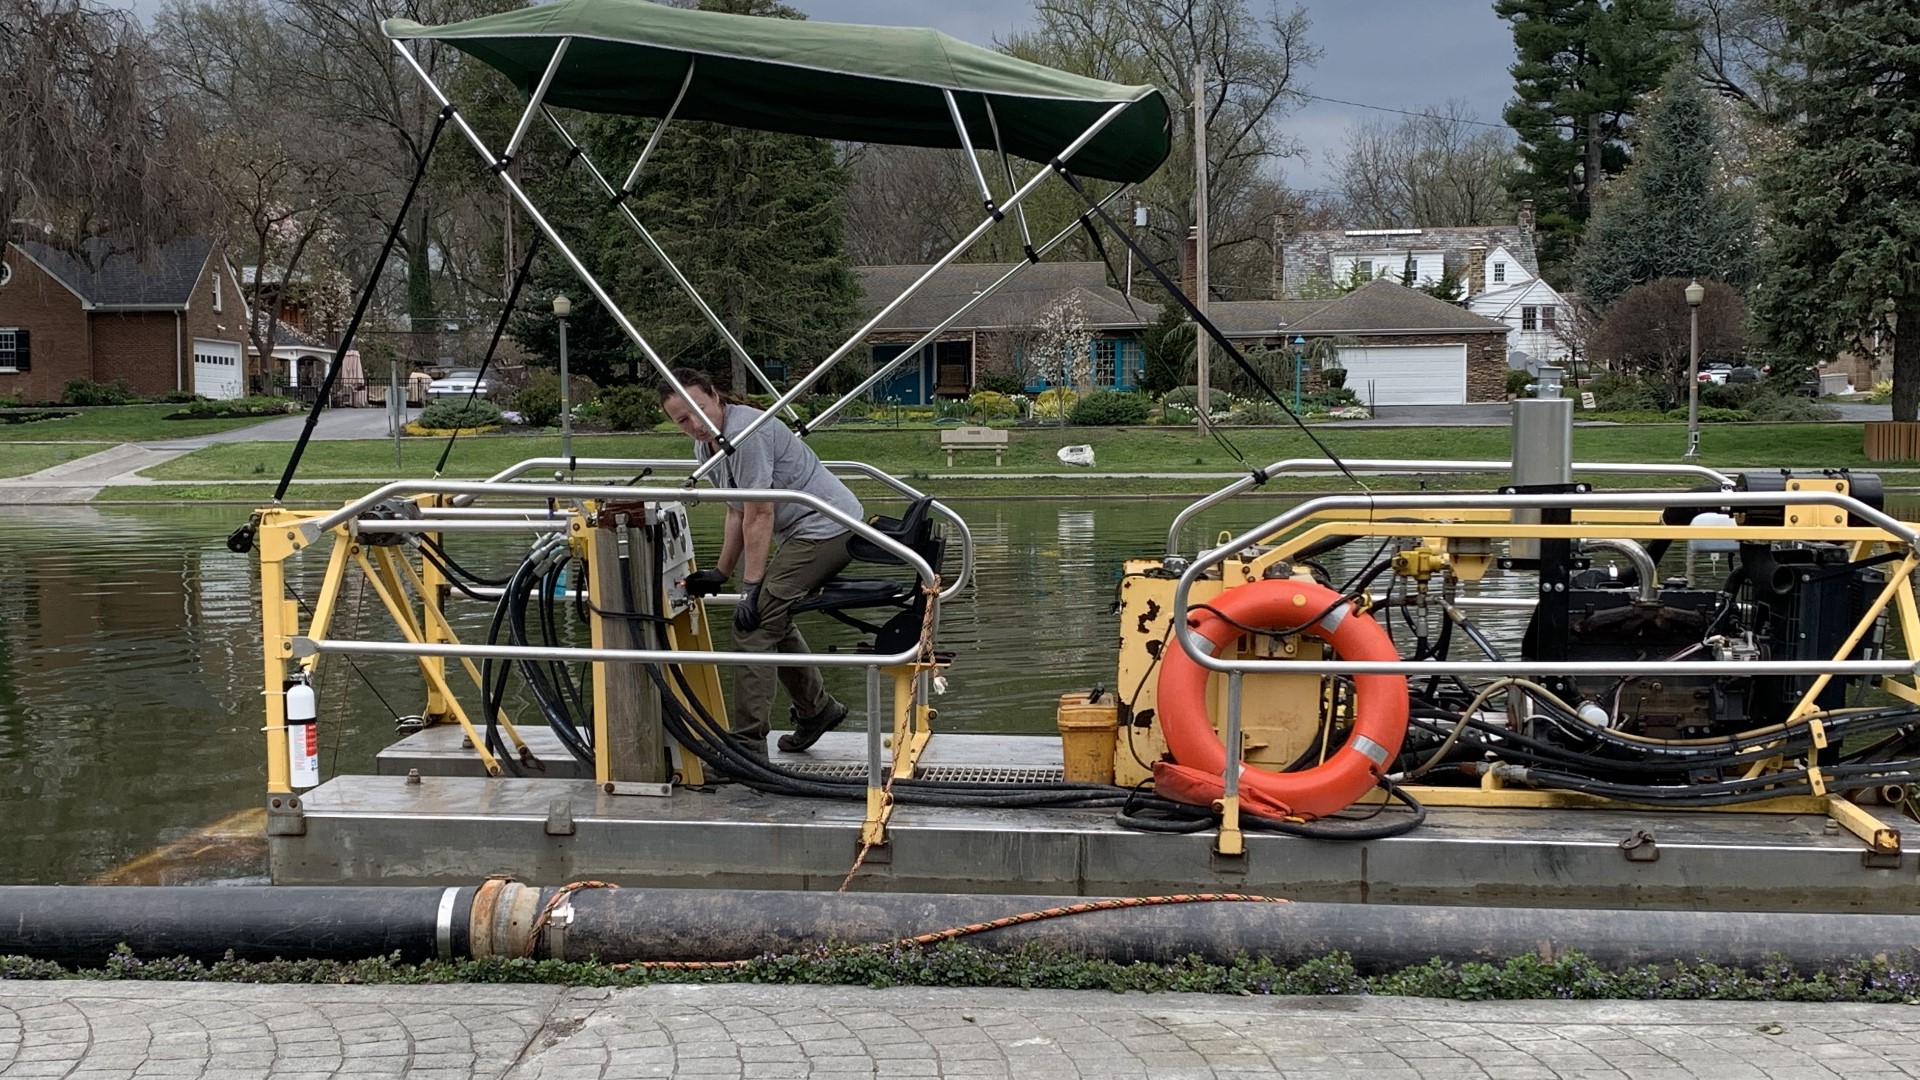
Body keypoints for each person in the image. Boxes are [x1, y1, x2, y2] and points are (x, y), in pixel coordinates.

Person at [664, 367, 863, 752]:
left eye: (699, 410)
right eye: (682, 419)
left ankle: (747, 747)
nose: (694, 424)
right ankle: (817, 710)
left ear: (715, 397)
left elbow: (761, 513)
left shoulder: (745, 433)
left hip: (828, 527)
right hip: (803, 530)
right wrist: (722, 573)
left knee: (754, 628)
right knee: (769, 616)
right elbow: (736, 511)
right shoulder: (706, 447)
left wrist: (751, 589)